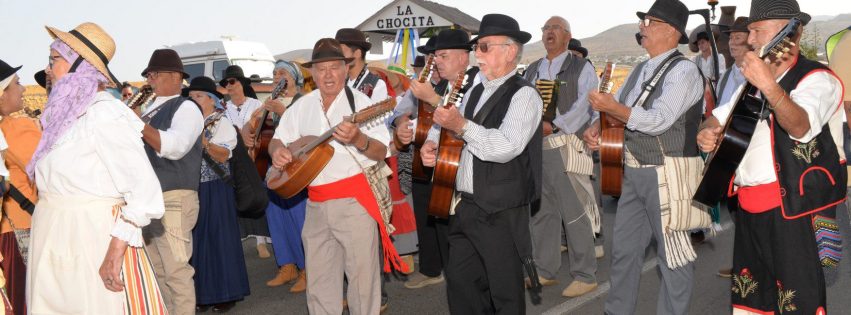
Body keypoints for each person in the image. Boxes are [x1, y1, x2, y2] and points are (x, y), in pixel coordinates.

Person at [697, 1, 846, 312]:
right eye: (750, 31)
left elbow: (801, 127)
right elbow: (719, 117)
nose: (751, 39)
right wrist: (708, 131)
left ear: (791, 32)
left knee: (799, 303)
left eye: (757, 30)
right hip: (751, 210)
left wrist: (767, 84)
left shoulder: (818, 78)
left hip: (795, 212)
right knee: (752, 302)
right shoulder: (753, 84)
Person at [27, 22, 167, 314]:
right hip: (52, 235)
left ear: (80, 65)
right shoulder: (62, 120)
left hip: (91, 238)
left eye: (54, 60)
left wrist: (114, 255)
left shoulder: (105, 113)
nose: (48, 69)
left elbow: (144, 193)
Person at [582, 0, 704, 313]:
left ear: (672, 32)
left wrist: (611, 109)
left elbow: (658, 120)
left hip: (669, 172)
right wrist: (599, 126)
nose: (642, 27)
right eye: (643, 22)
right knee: (624, 251)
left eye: (649, 22)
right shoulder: (641, 68)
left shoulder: (685, 71)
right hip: (635, 171)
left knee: (674, 257)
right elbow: (621, 109)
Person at [420, 13, 542, 313]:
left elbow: (505, 147)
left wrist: (460, 126)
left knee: (505, 295)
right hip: (466, 206)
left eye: (484, 47)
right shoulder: (474, 89)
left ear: (510, 51)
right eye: (477, 48)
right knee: (462, 291)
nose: (477, 54)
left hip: (501, 211)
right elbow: (453, 131)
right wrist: (435, 146)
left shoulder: (525, 95)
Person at [269, 38, 401, 315]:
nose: (328, 74)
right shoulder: (302, 106)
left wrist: (358, 138)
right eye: (321, 69)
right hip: (314, 205)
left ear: (345, 69)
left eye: (334, 67)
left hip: (354, 203)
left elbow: (380, 152)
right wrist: (278, 151)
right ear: (313, 74)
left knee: (362, 283)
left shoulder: (362, 103)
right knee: (319, 282)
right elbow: (278, 139)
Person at [389, 29, 480, 290]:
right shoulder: (436, 84)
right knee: (434, 216)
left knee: (458, 226)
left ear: (464, 57)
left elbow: (466, 121)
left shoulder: (475, 82)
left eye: (441, 55)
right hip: (433, 160)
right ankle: (441, 271)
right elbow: (403, 112)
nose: (435, 61)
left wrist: (432, 101)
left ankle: (463, 279)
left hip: (462, 168)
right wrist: (402, 123)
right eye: (434, 56)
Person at [523, 16, 600, 298]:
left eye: (554, 28)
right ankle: (545, 269)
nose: (548, 33)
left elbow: (587, 104)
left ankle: (585, 274)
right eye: (544, 29)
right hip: (537, 150)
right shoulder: (532, 69)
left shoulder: (581, 67)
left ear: (568, 36)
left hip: (566, 145)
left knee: (575, 212)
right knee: (542, 213)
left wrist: (555, 125)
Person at [140, 48, 205, 315]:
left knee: (176, 272)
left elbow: (175, 147)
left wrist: (137, 125)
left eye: (154, 74)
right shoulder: (148, 110)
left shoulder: (186, 107)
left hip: (175, 197)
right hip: (149, 200)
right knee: (157, 272)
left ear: (176, 76)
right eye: (148, 75)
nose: (150, 80)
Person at [183, 76, 250, 312]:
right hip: (193, 187)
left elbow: (224, 156)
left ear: (212, 100)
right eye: (191, 97)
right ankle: (202, 294)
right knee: (197, 241)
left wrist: (204, 143)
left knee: (219, 240)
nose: (194, 101)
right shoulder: (187, 122)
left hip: (216, 188)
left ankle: (225, 293)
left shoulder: (220, 122)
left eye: (199, 96)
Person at [249, 60, 309, 293]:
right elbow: (254, 130)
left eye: (283, 72)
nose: (277, 76)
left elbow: (307, 132)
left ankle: (307, 269)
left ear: (295, 77)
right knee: (275, 216)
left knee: (299, 218)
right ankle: (287, 265)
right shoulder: (269, 102)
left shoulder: (304, 100)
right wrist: (250, 130)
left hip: (296, 165)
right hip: (272, 167)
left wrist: (284, 113)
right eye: (274, 73)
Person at [713, 16, 751, 279]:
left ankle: (754, 266)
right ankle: (745, 265)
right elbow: (719, 110)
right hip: (729, 152)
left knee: (751, 213)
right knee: (737, 211)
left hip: (750, 154)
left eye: (739, 37)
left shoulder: (758, 71)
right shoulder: (726, 76)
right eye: (731, 37)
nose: (733, 43)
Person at [221, 65, 272, 258]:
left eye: (232, 81)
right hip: (235, 159)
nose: (229, 85)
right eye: (226, 83)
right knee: (239, 197)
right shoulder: (224, 108)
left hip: (255, 157)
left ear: (241, 83)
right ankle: (240, 238)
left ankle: (261, 241)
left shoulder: (255, 105)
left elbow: (264, 129)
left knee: (257, 196)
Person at [0, 58, 34, 315]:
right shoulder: (15, 127)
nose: (23, 89)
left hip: (6, 227)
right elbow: (47, 171)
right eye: (17, 83)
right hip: (19, 228)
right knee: (22, 300)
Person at [335, 28, 389, 102]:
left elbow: (377, 113)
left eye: (341, 52)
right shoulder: (340, 83)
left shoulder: (377, 85)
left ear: (357, 53)